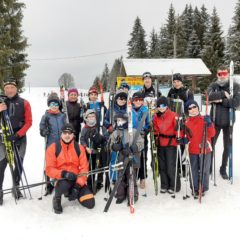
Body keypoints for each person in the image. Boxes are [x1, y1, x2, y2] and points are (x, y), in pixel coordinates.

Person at [45, 123, 95, 214]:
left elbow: (84, 168)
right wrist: (63, 173)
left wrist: (78, 185)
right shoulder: (52, 148)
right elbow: (49, 169)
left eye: (69, 133)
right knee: (63, 184)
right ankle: (57, 197)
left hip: (76, 178)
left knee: (90, 203)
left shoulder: (79, 148)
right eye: (65, 133)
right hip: (62, 179)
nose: (67, 135)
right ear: (61, 134)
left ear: (73, 135)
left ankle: (73, 190)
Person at [0, 78, 32, 204]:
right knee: (2, 164)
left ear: (16, 88)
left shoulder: (24, 103)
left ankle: (16, 187)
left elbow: (29, 122)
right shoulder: (1, 102)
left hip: (20, 137)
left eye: (12, 87)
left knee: (18, 163)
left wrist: (18, 134)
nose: (9, 90)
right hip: (3, 137)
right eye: (7, 88)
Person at [208, 65, 240, 179]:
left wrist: (221, 101)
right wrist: (223, 95)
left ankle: (223, 168)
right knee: (210, 145)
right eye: (220, 74)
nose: (222, 76)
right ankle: (209, 166)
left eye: (224, 74)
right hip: (215, 121)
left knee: (227, 146)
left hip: (229, 121)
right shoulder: (214, 85)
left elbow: (236, 102)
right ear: (217, 74)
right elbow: (209, 97)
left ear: (228, 74)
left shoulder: (235, 86)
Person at [110, 113, 144, 205]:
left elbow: (141, 143)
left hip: (132, 159)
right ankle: (121, 195)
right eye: (118, 121)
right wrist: (114, 146)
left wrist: (134, 148)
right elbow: (110, 144)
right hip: (120, 159)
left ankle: (133, 195)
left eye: (122, 120)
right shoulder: (115, 133)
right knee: (120, 178)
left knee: (131, 177)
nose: (120, 122)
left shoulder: (133, 131)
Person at [184, 100, 215, 196]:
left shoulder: (204, 119)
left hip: (205, 149)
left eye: (194, 107)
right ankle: (195, 187)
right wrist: (183, 139)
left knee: (204, 169)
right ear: (187, 111)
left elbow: (212, 133)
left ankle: (203, 187)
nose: (193, 110)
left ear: (198, 107)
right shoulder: (187, 122)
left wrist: (209, 124)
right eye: (190, 108)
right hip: (193, 149)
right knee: (193, 169)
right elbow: (184, 135)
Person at [153, 96, 181, 194]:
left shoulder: (173, 115)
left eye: (163, 105)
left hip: (171, 143)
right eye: (159, 106)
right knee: (162, 166)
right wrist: (155, 136)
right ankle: (164, 185)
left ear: (166, 105)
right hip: (160, 143)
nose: (161, 107)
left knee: (170, 166)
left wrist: (179, 135)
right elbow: (155, 128)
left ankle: (174, 185)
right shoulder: (156, 116)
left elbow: (179, 129)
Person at [39, 93, 66, 194]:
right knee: (50, 164)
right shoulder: (46, 116)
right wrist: (43, 131)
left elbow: (67, 127)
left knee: (61, 163)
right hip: (50, 144)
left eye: (56, 104)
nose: (54, 106)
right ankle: (48, 184)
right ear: (48, 105)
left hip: (62, 144)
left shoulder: (62, 116)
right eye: (51, 104)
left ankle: (60, 181)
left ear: (59, 105)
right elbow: (41, 128)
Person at [80, 109, 108, 194]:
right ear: (86, 118)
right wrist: (86, 147)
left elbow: (106, 137)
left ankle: (98, 182)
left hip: (99, 152)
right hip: (89, 152)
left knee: (99, 166)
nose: (92, 118)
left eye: (93, 116)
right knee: (90, 167)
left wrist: (102, 139)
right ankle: (90, 181)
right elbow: (82, 139)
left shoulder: (100, 127)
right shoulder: (85, 128)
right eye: (90, 116)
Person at [131, 91, 150, 189]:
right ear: (133, 101)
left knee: (143, 157)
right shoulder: (130, 110)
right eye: (136, 100)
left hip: (142, 136)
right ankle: (133, 177)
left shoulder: (145, 110)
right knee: (134, 156)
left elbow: (148, 123)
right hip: (133, 137)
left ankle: (142, 178)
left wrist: (146, 131)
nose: (138, 101)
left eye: (140, 100)